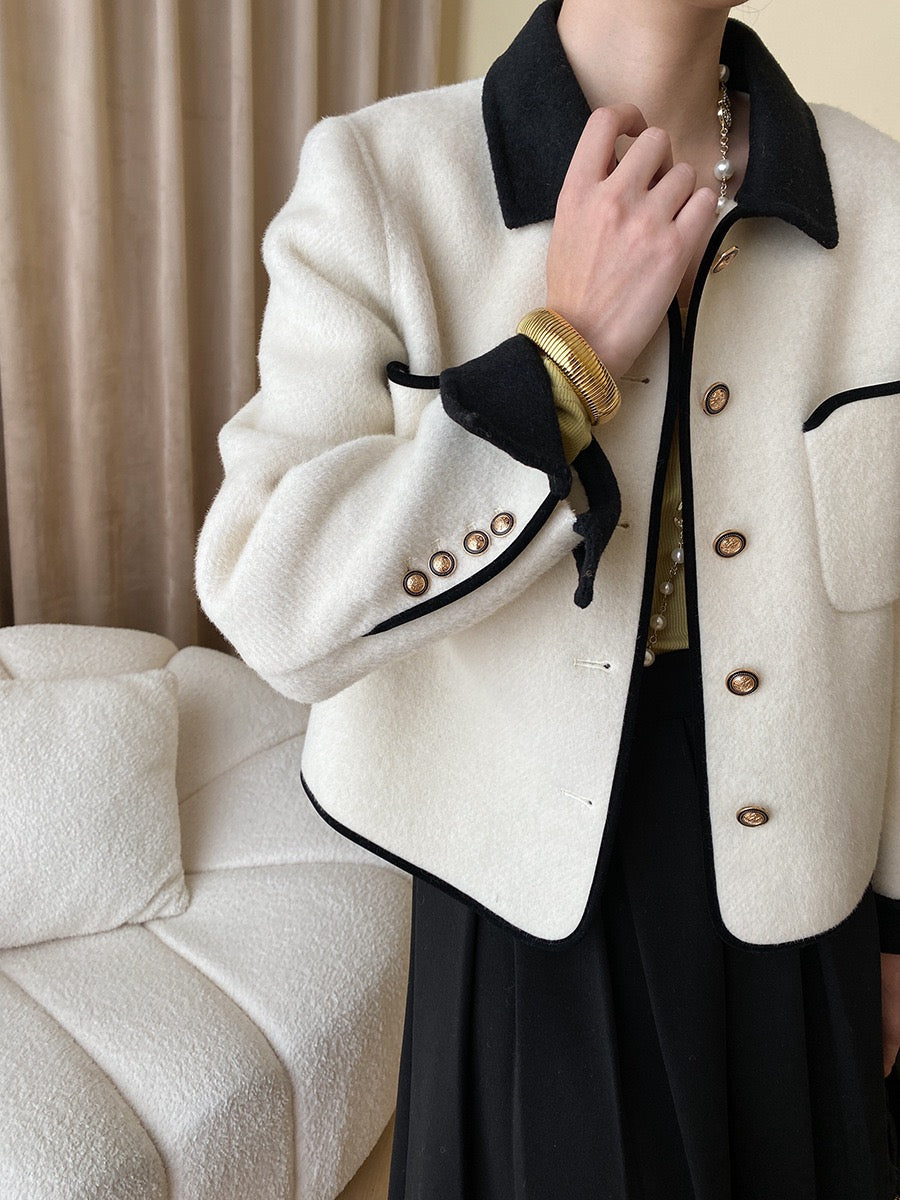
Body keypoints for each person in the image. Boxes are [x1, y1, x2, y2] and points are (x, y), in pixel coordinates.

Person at [196, 0, 900, 1195]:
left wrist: (895, 919)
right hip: (526, 898)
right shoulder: (383, 181)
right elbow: (270, 597)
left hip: (809, 882)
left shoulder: (879, 198)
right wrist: (560, 358)